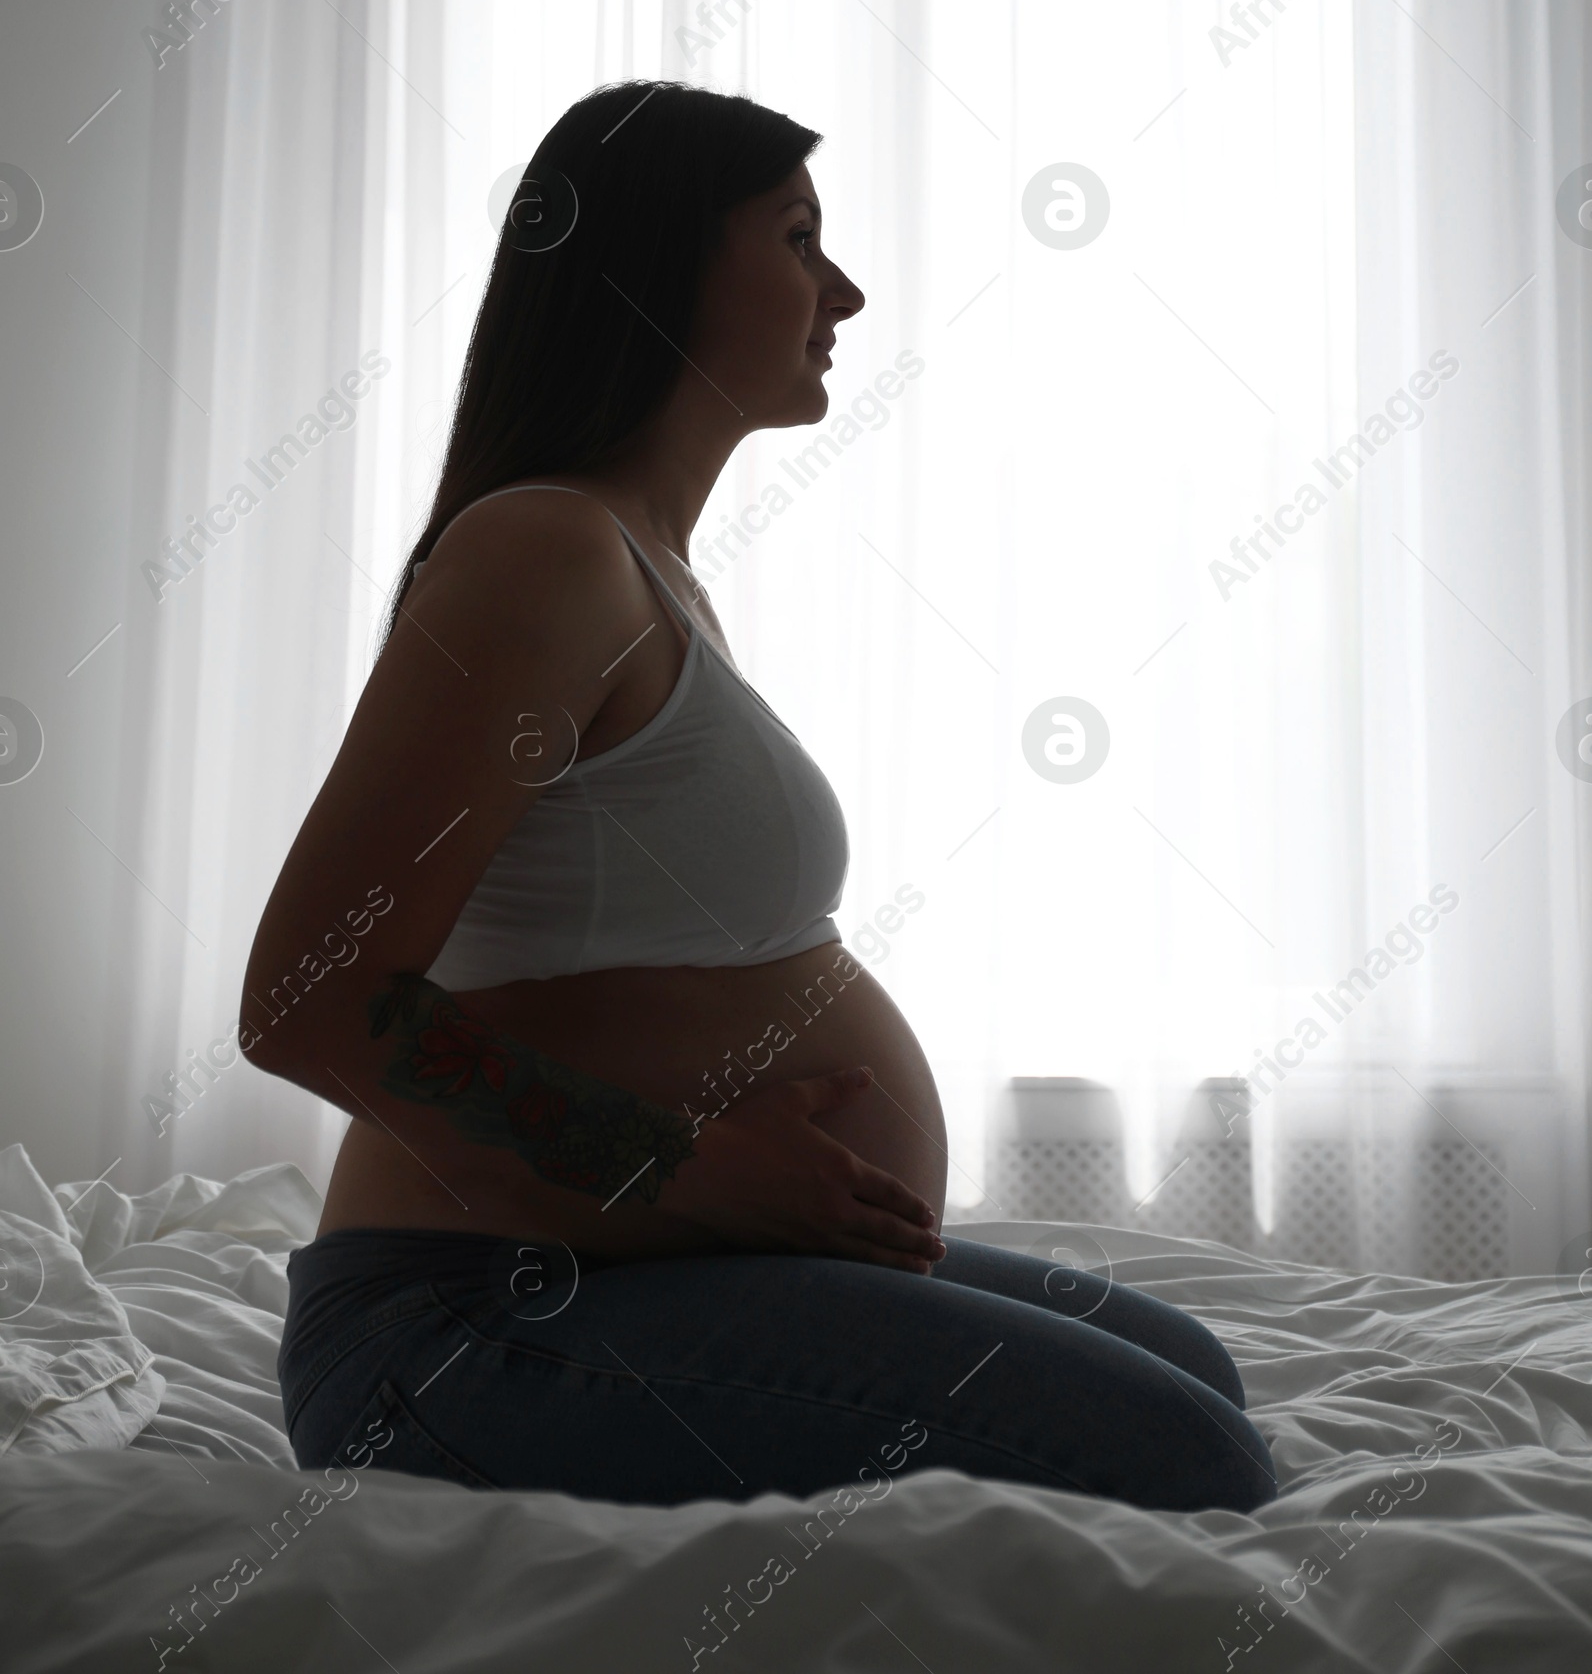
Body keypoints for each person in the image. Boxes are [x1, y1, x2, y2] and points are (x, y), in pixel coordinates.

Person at [252, 78, 1276, 1512]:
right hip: (468, 1321)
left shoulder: (643, 566)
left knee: (1190, 1371)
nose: (844, 290)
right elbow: (305, 995)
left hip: (632, 1260)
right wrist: (671, 1163)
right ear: (654, 259)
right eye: (799, 237)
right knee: (1192, 1458)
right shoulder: (540, 552)